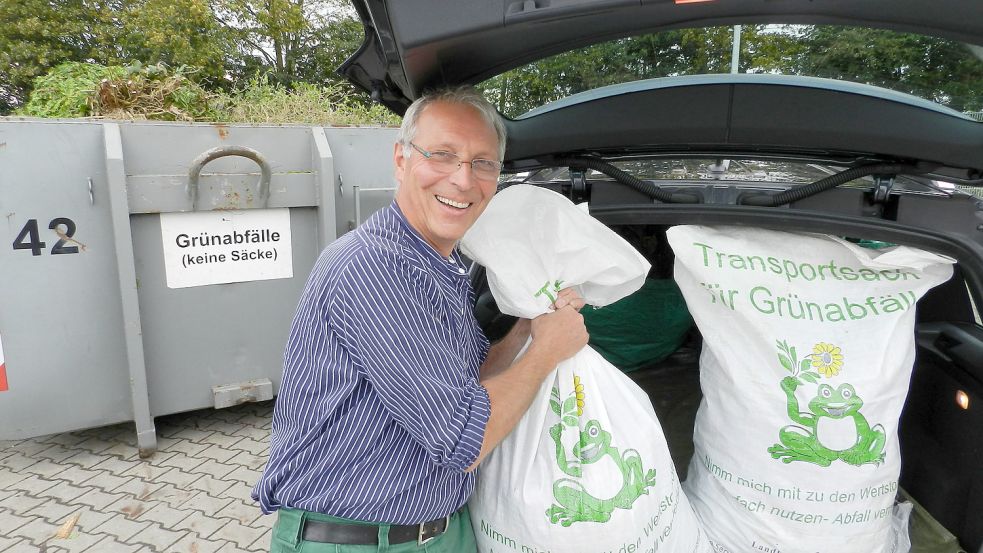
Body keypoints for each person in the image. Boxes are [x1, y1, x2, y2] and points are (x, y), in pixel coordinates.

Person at [252, 86, 588, 553]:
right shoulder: (373, 266)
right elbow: (464, 440)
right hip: (361, 542)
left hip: (438, 531)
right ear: (401, 159)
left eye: (482, 163)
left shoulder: (436, 263)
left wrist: (527, 330)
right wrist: (548, 352)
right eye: (443, 155)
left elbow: (468, 384)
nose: (463, 180)